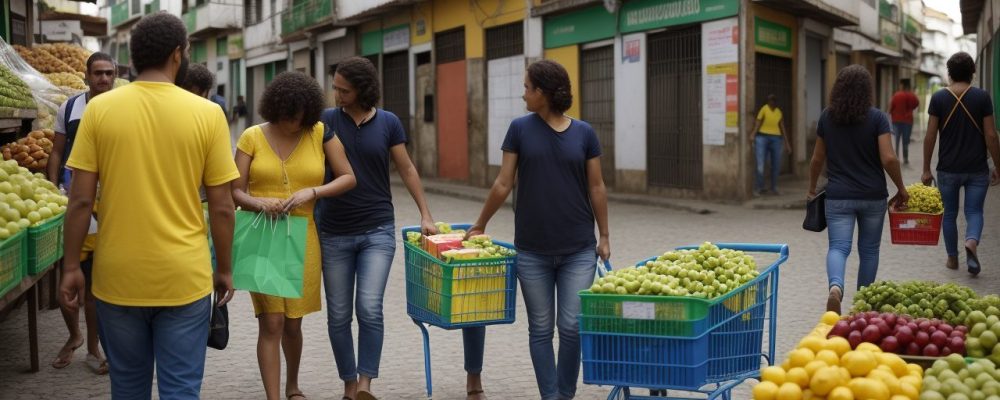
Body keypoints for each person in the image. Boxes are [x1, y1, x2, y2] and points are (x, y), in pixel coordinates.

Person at [59, 11, 239, 398]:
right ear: (178, 54)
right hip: (184, 277)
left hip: (116, 277)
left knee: (127, 388)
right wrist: (224, 268)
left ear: (135, 56)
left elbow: (79, 201)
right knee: (180, 390)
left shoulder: (100, 111)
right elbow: (223, 207)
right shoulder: (208, 114)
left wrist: (71, 265)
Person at [466, 59, 611, 400]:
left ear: (543, 93)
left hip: (578, 248)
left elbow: (597, 187)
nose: (523, 95)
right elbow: (504, 183)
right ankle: (551, 396)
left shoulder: (584, 133)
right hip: (531, 250)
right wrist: (480, 222)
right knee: (541, 329)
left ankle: (565, 393)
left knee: (572, 327)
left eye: (527, 88)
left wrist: (604, 235)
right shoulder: (519, 129)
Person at [318, 56, 439, 400]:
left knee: (369, 307)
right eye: (336, 88)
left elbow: (408, 169)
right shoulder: (326, 120)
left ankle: (365, 384)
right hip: (334, 231)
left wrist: (425, 214)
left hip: (377, 230)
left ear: (362, 89)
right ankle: (348, 383)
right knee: (339, 315)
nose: (337, 94)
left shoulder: (388, 122)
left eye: (344, 89)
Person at [232, 71, 356, 400]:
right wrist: (258, 203)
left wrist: (312, 192)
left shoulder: (320, 133)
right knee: (271, 321)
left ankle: (293, 384)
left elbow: (348, 178)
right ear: (276, 110)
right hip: (261, 238)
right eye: (289, 118)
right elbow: (234, 191)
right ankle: (275, 395)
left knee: (293, 322)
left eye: (302, 118)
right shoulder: (251, 137)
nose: (295, 125)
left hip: (304, 236)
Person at [808, 65, 908, 314]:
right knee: (869, 250)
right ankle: (862, 305)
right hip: (873, 196)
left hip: (839, 195)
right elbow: (889, 159)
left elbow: (817, 159)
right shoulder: (877, 118)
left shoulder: (826, 117)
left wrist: (811, 189)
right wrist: (902, 189)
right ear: (867, 91)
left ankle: (835, 288)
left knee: (838, 248)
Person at [47, 52, 115, 375]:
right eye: (98, 73)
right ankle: (74, 336)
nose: (104, 79)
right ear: (86, 76)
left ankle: (92, 348)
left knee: (94, 282)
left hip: (108, 206)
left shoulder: (121, 108)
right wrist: (51, 189)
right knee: (70, 275)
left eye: (109, 73)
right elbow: (57, 151)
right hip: (72, 201)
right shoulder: (70, 108)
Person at [922, 52, 1000, 275]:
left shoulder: (939, 98)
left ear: (949, 73)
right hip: (977, 169)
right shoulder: (982, 98)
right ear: (972, 73)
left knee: (949, 214)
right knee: (974, 211)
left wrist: (926, 168)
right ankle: (972, 241)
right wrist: (998, 166)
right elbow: (991, 136)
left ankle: (952, 259)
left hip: (947, 168)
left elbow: (930, 136)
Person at [751, 94, 791, 196]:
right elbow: (758, 123)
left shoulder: (778, 112)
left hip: (776, 139)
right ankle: (759, 187)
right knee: (760, 163)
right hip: (762, 137)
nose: (772, 102)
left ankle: (774, 187)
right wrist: (753, 134)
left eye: (773, 100)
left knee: (776, 164)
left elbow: (783, 128)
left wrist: (787, 143)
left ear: (776, 102)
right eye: (770, 100)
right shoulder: (764, 109)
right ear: (767, 101)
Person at [889, 79, 920, 164]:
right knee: (905, 140)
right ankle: (905, 158)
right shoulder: (912, 95)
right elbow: (917, 103)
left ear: (902, 85)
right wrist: (910, 109)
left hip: (896, 120)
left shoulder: (896, 95)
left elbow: (891, 107)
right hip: (908, 121)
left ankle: (897, 157)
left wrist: (890, 113)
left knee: (897, 139)